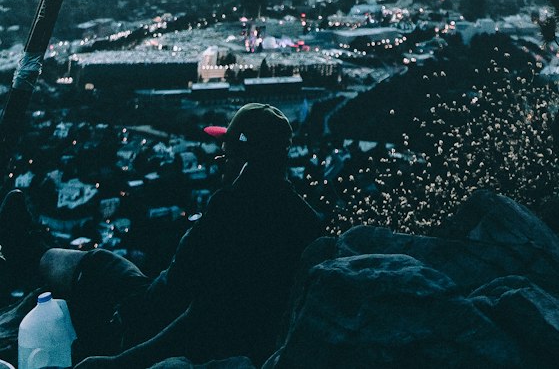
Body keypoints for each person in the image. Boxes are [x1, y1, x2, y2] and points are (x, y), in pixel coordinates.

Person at [0, 103, 321, 368]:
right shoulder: (307, 222)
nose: (221, 165)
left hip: (175, 322)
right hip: (220, 330)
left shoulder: (230, 209)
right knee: (109, 266)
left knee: (100, 264)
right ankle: (31, 249)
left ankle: (28, 252)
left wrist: (122, 351)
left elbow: (181, 299)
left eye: (228, 155)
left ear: (246, 161)